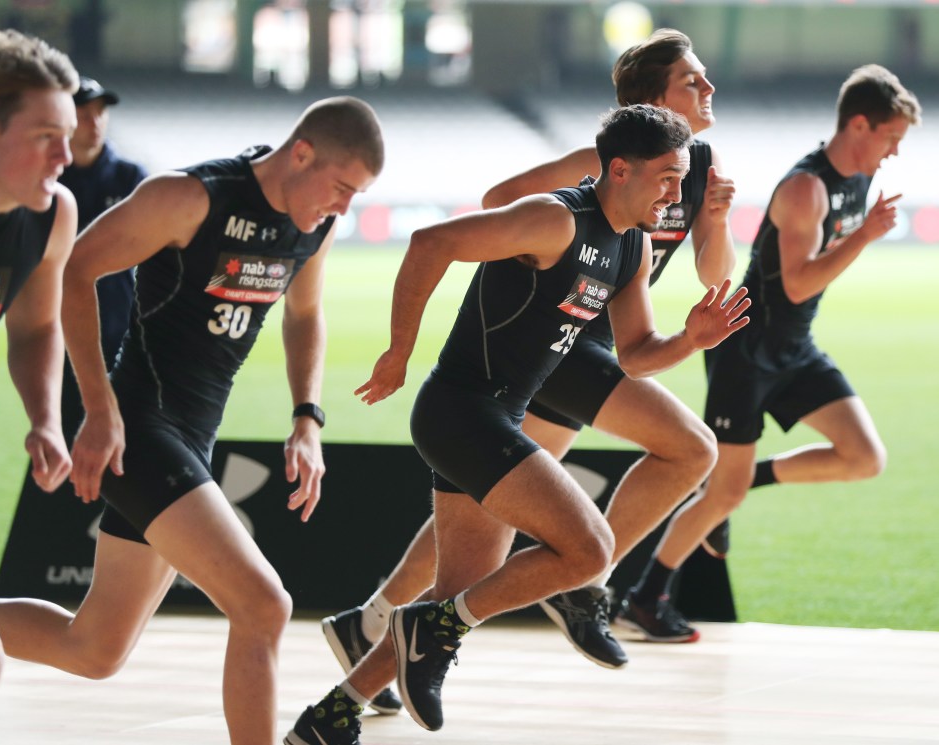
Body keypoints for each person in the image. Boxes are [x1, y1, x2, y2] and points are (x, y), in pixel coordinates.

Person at [286, 104, 750, 745]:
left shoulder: (632, 247)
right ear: (619, 170)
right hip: (459, 414)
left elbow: (638, 353)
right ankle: (433, 630)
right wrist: (398, 351)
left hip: (490, 418)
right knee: (591, 550)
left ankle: (333, 714)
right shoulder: (556, 219)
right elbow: (432, 243)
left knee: (458, 591)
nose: (677, 196)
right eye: (668, 178)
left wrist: (690, 339)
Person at [0, 96, 384, 745]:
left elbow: (305, 314)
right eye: (340, 188)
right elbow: (77, 268)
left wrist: (307, 416)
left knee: (94, 647)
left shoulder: (316, 225)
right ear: (302, 153)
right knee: (264, 603)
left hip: (191, 437)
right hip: (138, 429)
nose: (342, 206)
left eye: (355, 196)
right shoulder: (192, 196)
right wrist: (100, 407)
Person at [621, 63, 921, 643]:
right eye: (890, 138)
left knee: (863, 456)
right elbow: (798, 284)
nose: (893, 153)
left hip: (793, 347)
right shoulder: (806, 187)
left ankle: (741, 479)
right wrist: (863, 236)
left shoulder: (857, 179)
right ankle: (646, 595)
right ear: (860, 125)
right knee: (723, 495)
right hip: (745, 348)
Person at [0, 29, 79, 745]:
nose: (66, 156)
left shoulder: (51, 215)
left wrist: (46, 415)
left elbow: (37, 329)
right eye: (47, 134)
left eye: (69, 135)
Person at [57, 75, 147, 436]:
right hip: (56, 329)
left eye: (100, 112)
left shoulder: (131, 178)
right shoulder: (49, 177)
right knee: (65, 432)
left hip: (119, 325)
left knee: (127, 435)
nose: (94, 121)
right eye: (83, 112)